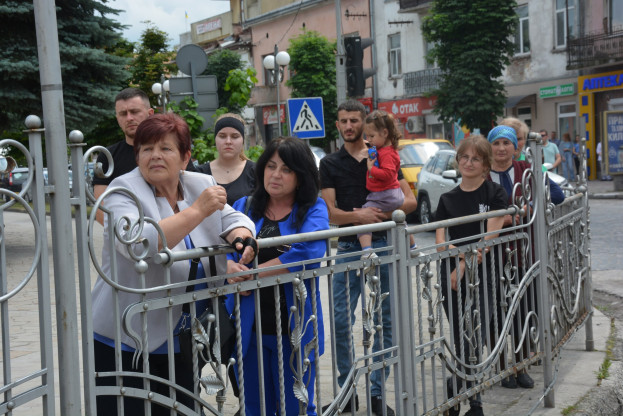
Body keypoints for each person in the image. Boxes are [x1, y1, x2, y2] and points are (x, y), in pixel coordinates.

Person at [91, 113, 257, 415]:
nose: (155, 155)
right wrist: (197, 211)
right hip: (126, 335)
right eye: (146, 149)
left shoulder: (199, 183)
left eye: (165, 148)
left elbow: (233, 218)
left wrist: (241, 236)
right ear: (137, 156)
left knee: (183, 409)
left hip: (184, 337)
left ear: (185, 157)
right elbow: (139, 243)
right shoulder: (121, 192)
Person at [318, 99, 417, 416]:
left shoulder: (385, 155)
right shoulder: (329, 163)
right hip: (349, 248)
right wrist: (358, 217)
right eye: (343, 121)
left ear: (365, 123)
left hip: (385, 246)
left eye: (354, 120)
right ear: (337, 125)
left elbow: (410, 201)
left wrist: (383, 215)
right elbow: (330, 213)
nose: (349, 126)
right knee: (340, 321)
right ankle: (347, 393)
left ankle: (377, 394)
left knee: (386, 321)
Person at [225, 137, 329, 416]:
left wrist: (255, 274)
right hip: (250, 326)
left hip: (294, 327)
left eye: (286, 169)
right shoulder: (245, 206)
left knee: (297, 407)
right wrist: (229, 267)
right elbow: (221, 247)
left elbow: (308, 251)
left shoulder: (314, 207)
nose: (275, 175)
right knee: (254, 407)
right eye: (271, 166)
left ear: (301, 175)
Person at [435, 135, 507, 416]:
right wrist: (460, 261)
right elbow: (441, 243)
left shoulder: (495, 194)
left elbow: (489, 239)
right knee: (460, 336)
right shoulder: (447, 199)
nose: (468, 162)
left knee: (476, 335)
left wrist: (464, 263)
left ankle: (460, 393)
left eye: (475, 158)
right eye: (464, 157)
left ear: (486, 165)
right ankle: (469, 400)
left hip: (484, 273)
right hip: (451, 274)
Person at [93, 88, 194, 225]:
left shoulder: (175, 153)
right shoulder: (107, 156)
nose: (129, 118)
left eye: (134, 112)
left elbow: (189, 194)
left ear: (150, 113)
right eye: (123, 114)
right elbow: (102, 210)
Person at [357, 110, 405, 267]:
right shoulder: (383, 150)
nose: (368, 139)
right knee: (400, 220)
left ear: (385, 133)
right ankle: (412, 246)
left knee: (363, 216)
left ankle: (367, 250)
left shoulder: (387, 153)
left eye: (371, 136)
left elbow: (389, 174)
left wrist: (372, 169)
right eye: (367, 136)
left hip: (385, 194)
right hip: (390, 193)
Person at [195, 113, 256, 205]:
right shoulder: (200, 173)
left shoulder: (256, 171)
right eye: (222, 136)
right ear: (215, 139)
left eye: (235, 136)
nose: (228, 141)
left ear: (243, 140)